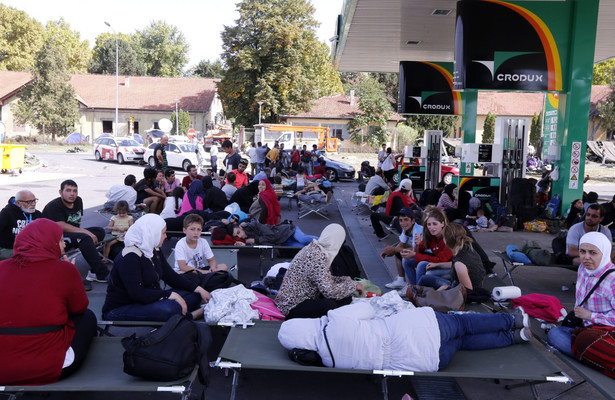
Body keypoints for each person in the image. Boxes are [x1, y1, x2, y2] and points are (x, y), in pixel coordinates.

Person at [278, 301, 530, 372]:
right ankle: (512, 320)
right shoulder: (333, 320)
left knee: (461, 341)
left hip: (430, 361)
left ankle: (515, 337)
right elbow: (367, 309)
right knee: (461, 323)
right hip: (418, 330)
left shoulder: (328, 362)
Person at [0, 218, 97, 385]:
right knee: (87, 317)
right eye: (60, 240)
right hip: (46, 365)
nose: (64, 245)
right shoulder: (64, 270)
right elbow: (79, 308)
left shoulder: (2, 267)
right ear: (48, 242)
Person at [102, 214, 211, 322]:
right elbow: (137, 294)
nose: (166, 236)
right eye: (163, 233)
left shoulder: (152, 249)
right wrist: (170, 295)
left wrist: (199, 289)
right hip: (123, 307)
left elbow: (171, 276)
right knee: (170, 308)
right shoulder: (129, 257)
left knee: (194, 294)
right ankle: (190, 316)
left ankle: (179, 314)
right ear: (152, 233)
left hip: (150, 299)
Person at [274, 224, 364, 319]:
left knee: (343, 298)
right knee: (329, 305)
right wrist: (353, 286)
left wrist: (344, 280)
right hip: (291, 308)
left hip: (292, 302)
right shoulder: (318, 256)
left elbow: (322, 278)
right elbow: (329, 291)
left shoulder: (314, 248)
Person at [548, 232, 615, 357]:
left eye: (593, 252)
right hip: (585, 329)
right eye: (582, 251)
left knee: (555, 335)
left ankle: (591, 356)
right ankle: (591, 355)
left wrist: (591, 316)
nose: (586, 257)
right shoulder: (583, 269)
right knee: (555, 333)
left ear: (605, 252)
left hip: (605, 336)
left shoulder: (612, 280)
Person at [43, 180, 109, 283]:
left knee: (99, 231)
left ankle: (92, 262)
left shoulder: (78, 201)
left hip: (74, 234)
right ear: (60, 192)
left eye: (75, 191)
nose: (72, 194)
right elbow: (60, 225)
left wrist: (83, 233)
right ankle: (101, 274)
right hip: (58, 238)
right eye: (68, 190)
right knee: (85, 238)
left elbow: (76, 224)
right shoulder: (54, 206)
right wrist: (84, 233)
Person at [416, 223, 486, 290]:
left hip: (465, 291)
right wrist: (437, 265)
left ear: (447, 240)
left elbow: (468, 292)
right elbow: (454, 263)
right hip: (468, 284)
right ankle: (415, 294)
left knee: (425, 278)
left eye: (443, 237)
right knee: (425, 275)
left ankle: (415, 297)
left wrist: (445, 289)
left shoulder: (459, 263)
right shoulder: (466, 248)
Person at [404, 207, 454, 290]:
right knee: (407, 261)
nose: (431, 227)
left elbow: (441, 260)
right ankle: (413, 289)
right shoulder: (431, 235)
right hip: (439, 263)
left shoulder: (448, 237)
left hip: (451, 268)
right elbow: (420, 251)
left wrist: (415, 255)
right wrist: (417, 245)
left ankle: (418, 294)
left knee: (422, 265)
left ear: (442, 224)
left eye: (435, 224)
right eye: (429, 224)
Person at [381, 207, 423, 289]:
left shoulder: (418, 230)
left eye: (406, 219)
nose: (403, 223)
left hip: (428, 255)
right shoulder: (406, 228)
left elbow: (415, 251)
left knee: (406, 259)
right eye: (401, 220)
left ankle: (411, 287)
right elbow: (401, 244)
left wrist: (394, 249)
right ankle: (401, 280)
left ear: (413, 221)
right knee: (399, 252)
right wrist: (391, 251)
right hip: (420, 253)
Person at [174, 214, 228, 278]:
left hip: (200, 269)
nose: (196, 232)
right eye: (192, 229)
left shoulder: (203, 242)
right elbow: (182, 267)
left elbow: (211, 260)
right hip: (186, 272)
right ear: (184, 230)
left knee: (223, 267)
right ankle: (206, 279)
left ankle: (203, 279)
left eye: (198, 229)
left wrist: (212, 268)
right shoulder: (180, 244)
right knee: (180, 274)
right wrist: (203, 272)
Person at [0, 190, 43, 260]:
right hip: (8, 248)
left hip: (31, 248)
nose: (33, 204)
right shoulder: (7, 213)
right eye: (29, 202)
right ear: (18, 203)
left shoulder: (38, 215)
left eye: (34, 201)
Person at [230, 220, 318, 247]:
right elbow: (268, 244)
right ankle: (325, 251)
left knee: (304, 239)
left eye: (238, 232)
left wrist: (255, 240)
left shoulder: (255, 224)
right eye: (237, 236)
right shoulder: (247, 239)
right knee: (303, 248)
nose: (239, 236)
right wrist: (245, 244)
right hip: (283, 241)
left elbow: (271, 236)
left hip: (288, 230)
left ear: (241, 227)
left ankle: (326, 239)